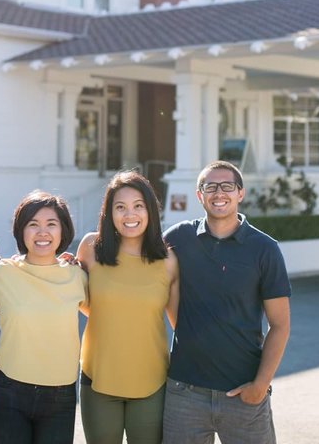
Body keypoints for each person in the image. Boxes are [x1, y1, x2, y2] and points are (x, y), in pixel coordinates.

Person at [162, 160, 291, 444]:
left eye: (227, 186)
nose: (219, 193)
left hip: (243, 395)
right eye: (210, 187)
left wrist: (260, 385)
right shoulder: (178, 238)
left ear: (240, 193)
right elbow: (138, 261)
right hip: (184, 394)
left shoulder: (265, 249)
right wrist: (79, 258)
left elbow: (280, 325)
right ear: (200, 195)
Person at [77, 170, 179, 444]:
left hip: (151, 382)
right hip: (97, 378)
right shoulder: (90, 247)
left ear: (150, 211)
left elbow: (179, 324)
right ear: (109, 212)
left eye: (138, 206)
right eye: (120, 207)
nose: (129, 215)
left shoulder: (168, 260)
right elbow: (89, 305)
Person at [0, 191, 87, 444]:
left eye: (51, 224)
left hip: (60, 397)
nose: (43, 232)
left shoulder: (78, 276)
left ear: (63, 231)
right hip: (9, 393)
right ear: (21, 231)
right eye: (33, 224)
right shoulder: (1, 274)